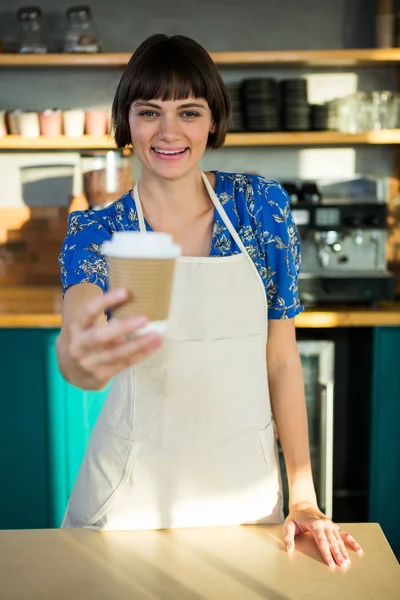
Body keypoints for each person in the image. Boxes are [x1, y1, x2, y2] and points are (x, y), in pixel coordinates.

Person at [57, 34, 363, 567]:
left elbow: (282, 357)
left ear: (213, 121)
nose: (168, 131)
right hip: (127, 502)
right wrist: (79, 358)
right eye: (149, 110)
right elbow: (76, 344)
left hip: (245, 496)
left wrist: (305, 496)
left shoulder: (260, 208)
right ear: (126, 122)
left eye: (189, 111)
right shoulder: (98, 230)